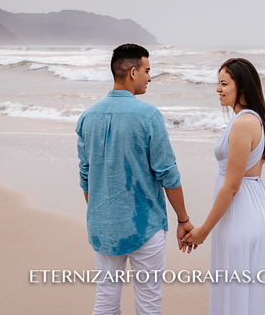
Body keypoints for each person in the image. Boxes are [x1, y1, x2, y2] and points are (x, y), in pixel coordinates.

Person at [77, 43, 194, 315]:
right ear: (132, 72)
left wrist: (100, 211)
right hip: (145, 225)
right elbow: (168, 173)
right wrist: (183, 220)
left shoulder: (87, 116)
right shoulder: (148, 115)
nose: (150, 78)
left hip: (102, 225)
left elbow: (86, 175)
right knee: (149, 305)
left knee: (105, 303)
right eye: (147, 70)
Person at [181, 57, 265, 315]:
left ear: (243, 88)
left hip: (242, 216)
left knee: (237, 294)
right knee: (248, 293)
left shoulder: (243, 123)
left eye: (224, 83)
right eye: (218, 83)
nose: (218, 89)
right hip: (252, 209)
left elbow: (232, 186)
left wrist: (204, 229)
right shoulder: (253, 120)